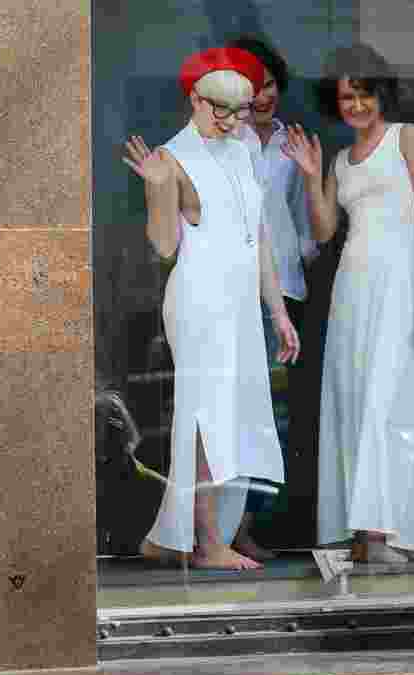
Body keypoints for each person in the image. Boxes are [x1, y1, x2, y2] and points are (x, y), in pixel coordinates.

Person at [122, 47, 300, 570]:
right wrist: (157, 188)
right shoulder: (173, 157)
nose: (227, 120)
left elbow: (258, 238)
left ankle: (167, 535)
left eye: (238, 111)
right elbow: (163, 247)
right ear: (194, 100)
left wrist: (279, 313)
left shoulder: (243, 151)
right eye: (217, 109)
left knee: (233, 414)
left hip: (240, 301)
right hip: (199, 298)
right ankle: (205, 542)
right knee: (205, 418)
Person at [283, 43, 414, 564]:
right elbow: (325, 229)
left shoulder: (409, 139)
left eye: (362, 94)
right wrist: (312, 177)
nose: (354, 105)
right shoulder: (339, 159)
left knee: (390, 399)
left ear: (381, 93)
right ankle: (364, 533)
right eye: (345, 97)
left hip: (399, 282)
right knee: (354, 400)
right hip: (352, 289)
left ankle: (387, 532)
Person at [227, 36, 318, 561]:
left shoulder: (291, 142)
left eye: (269, 85)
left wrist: (303, 248)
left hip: (283, 289)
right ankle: (224, 528)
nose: (262, 96)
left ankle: (248, 524)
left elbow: (304, 222)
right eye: (252, 86)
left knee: (274, 415)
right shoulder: (224, 138)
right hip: (235, 289)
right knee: (234, 410)